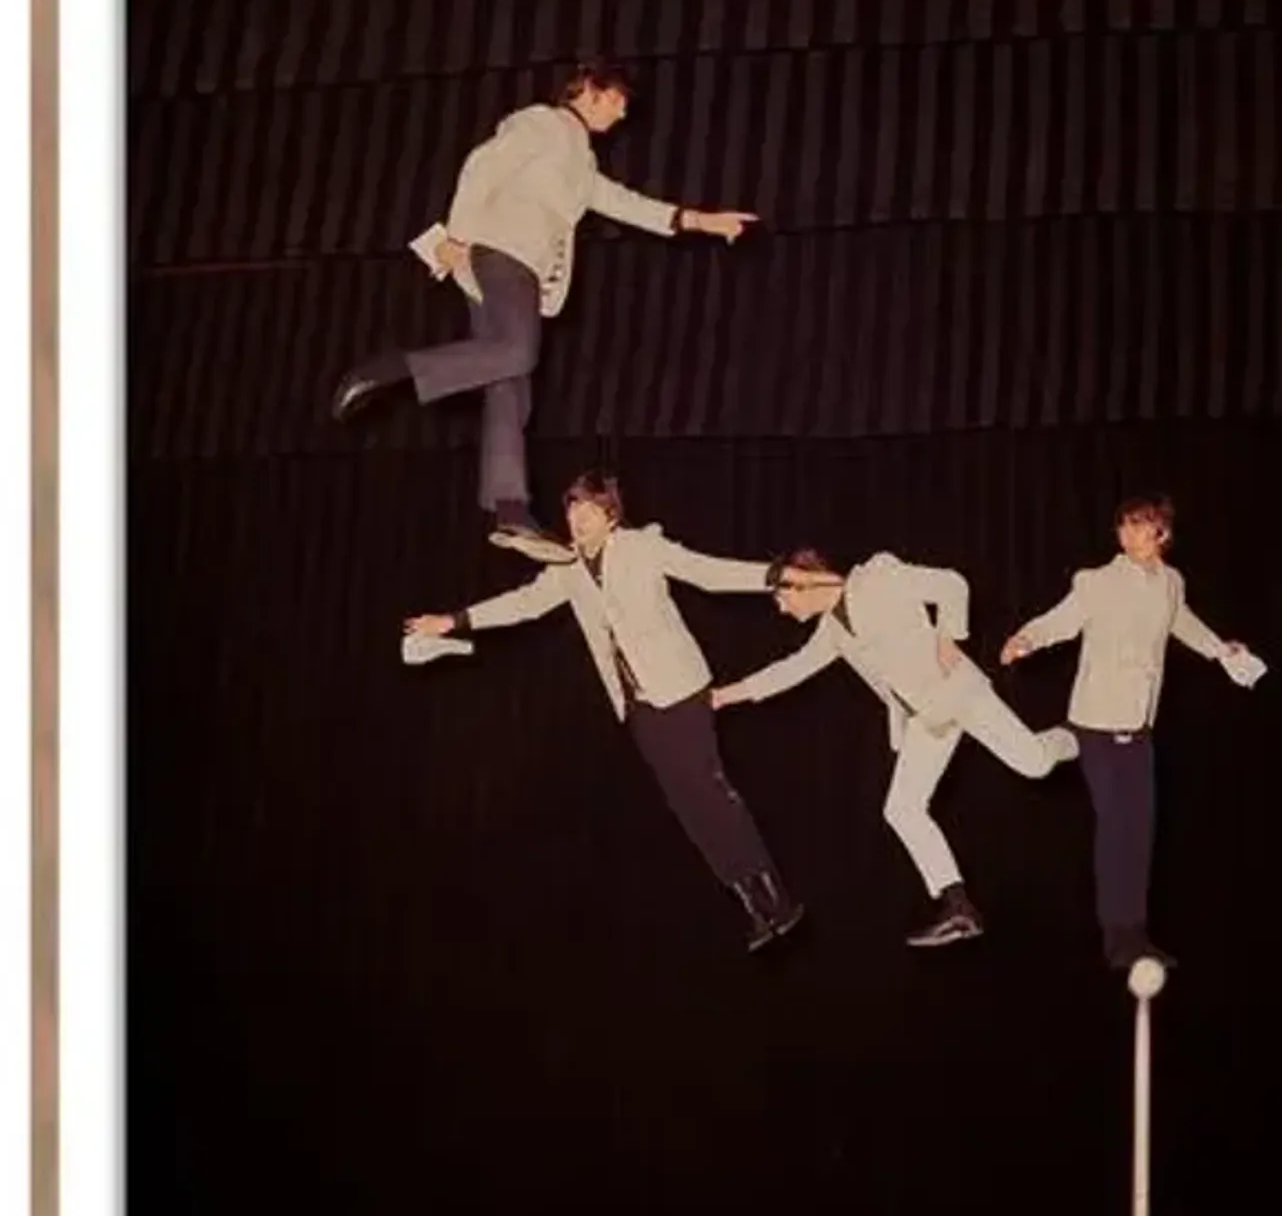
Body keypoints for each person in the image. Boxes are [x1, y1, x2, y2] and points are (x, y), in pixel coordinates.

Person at [335, 60, 758, 556]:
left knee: (510, 387)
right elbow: (482, 165)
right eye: (618, 101)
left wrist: (703, 222)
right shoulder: (542, 123)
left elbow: (628, 204)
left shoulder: (580, 163)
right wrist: (456, 235)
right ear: (594, 91)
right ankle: (389, 369)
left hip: (515, 268)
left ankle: (509, 507)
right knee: (517, 352)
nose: (622, 115)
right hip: (502, 254)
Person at [403, 472, 801, 951]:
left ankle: (777, 897)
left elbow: (706, 571)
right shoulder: (567, 570)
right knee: (688, 808)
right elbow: (524, 604)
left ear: (610, 516)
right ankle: (753, 907)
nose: (575, 519)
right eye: (570, 510)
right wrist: (454, 620)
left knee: (713, 792)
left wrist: (774, 575)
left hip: (681, 689)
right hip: (637, 706)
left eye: (586, 510)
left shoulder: (642, 547)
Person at [711, 548, 1079, 948]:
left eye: (782, 597)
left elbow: (952, 584)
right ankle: (958, 906)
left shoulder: (878, 577)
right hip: (925, 718)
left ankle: (1082, 737)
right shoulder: (833, 630)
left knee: (1036, 764)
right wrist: (724, 696)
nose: (781, 609)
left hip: (957, 690)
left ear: (803, 580)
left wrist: (948, 636)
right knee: (901, 808)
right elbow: (792, 669)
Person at [999, 495, 1259, 970]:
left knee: (1138, 831)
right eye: (1124, 526)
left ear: (1162, 534)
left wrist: (1223, 650)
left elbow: (1183, 623)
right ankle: (1116, 937)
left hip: (1139, 725)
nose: (1130, 534)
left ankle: (1136, 934)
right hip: (1096, 721)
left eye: (1141, 526)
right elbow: (1064, 618)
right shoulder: (1096, 581)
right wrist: (1028, 638)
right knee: (1115, 826)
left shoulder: (1171, 583)